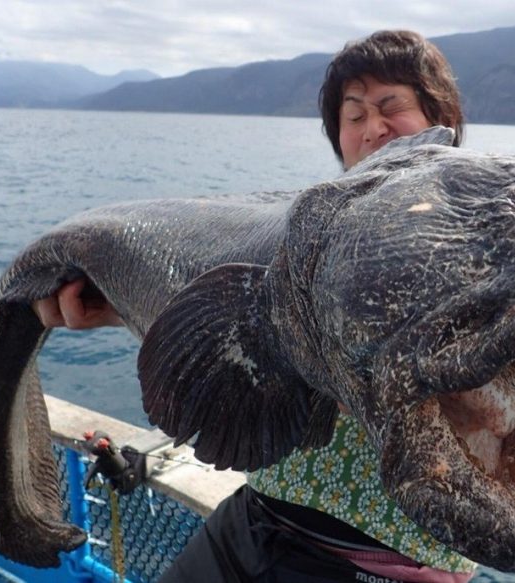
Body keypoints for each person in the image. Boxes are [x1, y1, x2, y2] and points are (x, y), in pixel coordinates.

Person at [35, 30, 475, 583]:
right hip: (257, 517)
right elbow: (256, 342)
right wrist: (121, 306)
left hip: (379, 563)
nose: (372, 129)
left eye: (392, 107)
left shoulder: (483, 243)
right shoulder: (309, 241)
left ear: (443, 118)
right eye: (354, 115)